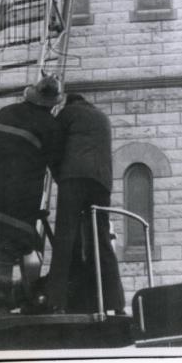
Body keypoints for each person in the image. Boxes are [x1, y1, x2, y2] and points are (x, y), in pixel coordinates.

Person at [0, 75, 63, 318]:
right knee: (2, 255)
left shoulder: (6, 111)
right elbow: (56, 163)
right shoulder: (50, 126)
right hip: (13, 202)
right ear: (52, 103)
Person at [44, 93, 124, 314]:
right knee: (102, 241)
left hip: (74, 179)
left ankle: (56, 302)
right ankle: (116, 305)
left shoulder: (67, 113)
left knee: (65, 239)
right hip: (101, 183)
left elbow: (53, 149)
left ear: (69, 102)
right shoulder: (102, 117)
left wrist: (60, 176)